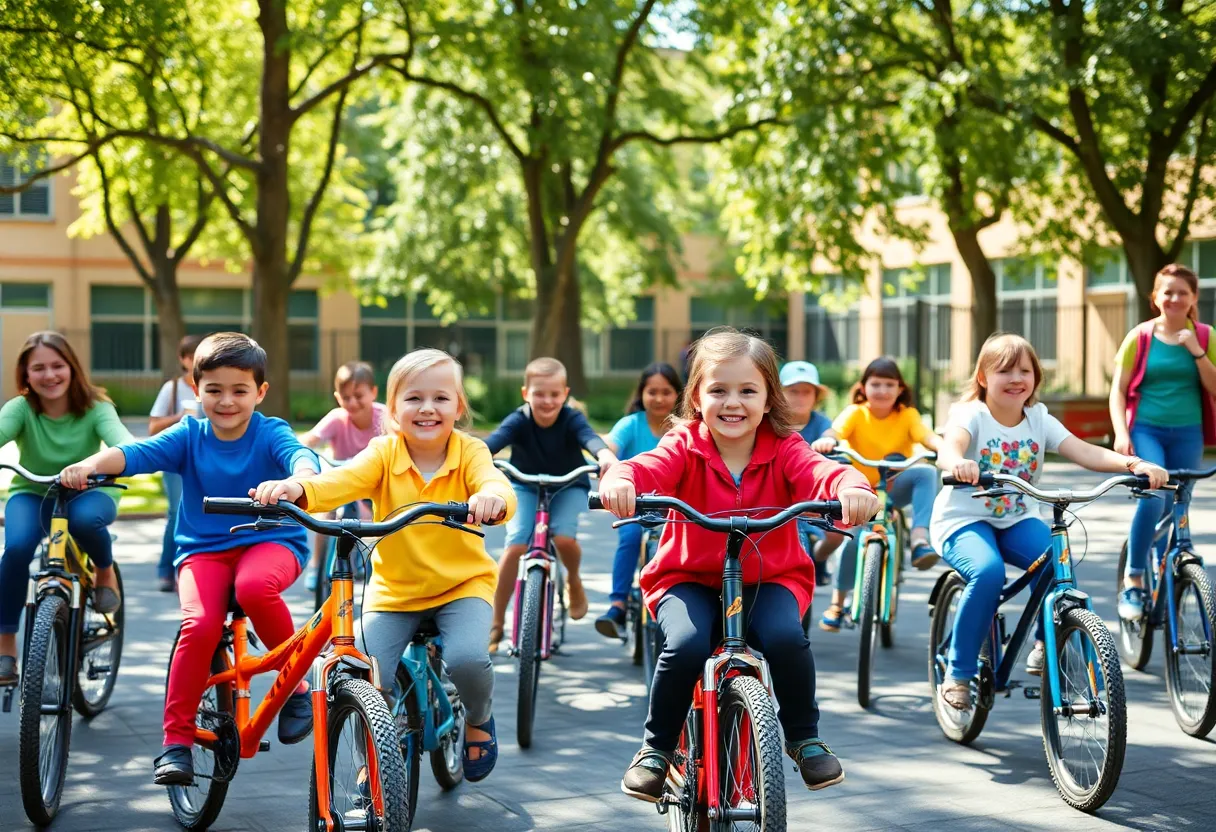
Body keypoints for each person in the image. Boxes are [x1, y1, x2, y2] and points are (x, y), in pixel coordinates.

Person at [597, 328, 878, 800]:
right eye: (719, 390)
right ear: (696, 397)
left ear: (769, 398)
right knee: (685, 646)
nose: (733, 402)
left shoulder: (785, 446)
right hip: (688, 577)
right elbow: (645, 467)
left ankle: (804, 736)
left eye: (748, 390)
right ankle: (656, 749)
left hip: (771, 577)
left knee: (788, 638)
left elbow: (821, 471)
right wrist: (621, 478)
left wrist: (851, 488)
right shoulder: (684, 443)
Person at [59, 332, 321, 784]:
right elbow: (137, 453)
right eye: (214, 390)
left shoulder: (270, 431)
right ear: (195, 389)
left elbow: (301, 457)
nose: (226, 401)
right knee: (198, 623)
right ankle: (176, 742)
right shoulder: (189, 434)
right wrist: (91, 465)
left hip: (270, 540)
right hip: (203, 551)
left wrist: (296, 482)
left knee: (255, 588)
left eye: (239, 391)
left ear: (260, 393)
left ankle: (297, 687)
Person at [252, 348, 514, 782]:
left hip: (462, 586)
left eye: (440, 399)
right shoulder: (383, 453)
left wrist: (492, 499)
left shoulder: (470, 452)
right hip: (395, 591)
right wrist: (296, 487)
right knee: (367, 675)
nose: (427, 408)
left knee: (468, 659)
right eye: (413, 399)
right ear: (392, 409)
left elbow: (494, 483)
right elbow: (340, 480)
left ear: (458, 406)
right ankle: (370, 762)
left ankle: (479, 717)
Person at [932, 333, 1167, 713]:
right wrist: (957, 462)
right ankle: (958, 673)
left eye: (1025, 370)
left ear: (1036, 379)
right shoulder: (971, 414)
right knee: (989, 574)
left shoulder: (1038, 418)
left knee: (1056, 561)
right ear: (982, 377)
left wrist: (1134, 464)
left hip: (1017, 517)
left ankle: (1045, 643)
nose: (1016, 378)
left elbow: (1083, 450)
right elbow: (951, 444)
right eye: (1004, 370)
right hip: (963, 520)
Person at [0, 332, 133, 685]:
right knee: (15, 549)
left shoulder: (95, 407)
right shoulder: (21, 409)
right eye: (38, 368)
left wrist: (97, 463)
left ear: (71, 368)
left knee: (86, 521)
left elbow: (123, 441)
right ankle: (6, 645)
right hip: (33, 491)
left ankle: (104, 569)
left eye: (58, 366)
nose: (50, 375)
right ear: (25, 375)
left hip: (90, 490)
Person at [483, 357, 618, 650]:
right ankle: (496, 622)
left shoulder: (571, 419)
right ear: (525, 394)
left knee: (563, 536)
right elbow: (493, 442)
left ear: (565, 393)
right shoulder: (519, 419)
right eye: (539, 394)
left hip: (568, 484)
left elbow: (590, 438)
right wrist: (474, 457)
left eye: (554, 394)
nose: (547, 401)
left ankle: (573, 580)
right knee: (516, 544)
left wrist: (604, 456)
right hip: (524, 484)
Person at [1109, 263, 1216, 621]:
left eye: (1182, 292)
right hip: (1147, 430)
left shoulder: (1205, 335)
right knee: (1154, 498)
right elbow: (1118, 390)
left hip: (1189, 432)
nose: (1174, 298)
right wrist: (1121, 434)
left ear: (1193, 298)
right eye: (1167, 292)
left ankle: (1168, 566)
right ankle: (1135, 578)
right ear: (1155, 297)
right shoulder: (1139, 336)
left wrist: (1197, 351)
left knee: (1178, 507)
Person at [811, 356, 942, 632]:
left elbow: (926, 436)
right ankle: (837, 603)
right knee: (851, 538)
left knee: (927, 473)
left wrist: (942, 447)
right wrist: (828, 439)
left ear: (900, 388)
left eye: (889, 384)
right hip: (862, 491)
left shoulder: (907, 415)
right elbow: (835, 430)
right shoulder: (856, 413)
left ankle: (919, 538)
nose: (882, 390)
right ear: (864, 387)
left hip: (896, 487)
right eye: (876, 384)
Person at [593, 362, 683, 639]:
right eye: (651, 391)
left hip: (674, 510)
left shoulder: (683, 428)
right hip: (634, 507)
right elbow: (609, 448)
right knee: (630, 537)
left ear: (678, 395)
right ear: (641, 394)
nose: (658, 399)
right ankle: (617, 605)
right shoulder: (631, 424)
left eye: (666, 392)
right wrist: (604, 458)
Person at [299, 361, 387, 591]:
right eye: (346, 397)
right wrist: (299, 452)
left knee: (383, 515)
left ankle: (382, 567)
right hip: (340, 477)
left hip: (371, 481)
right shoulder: (338, 418)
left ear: (373, 393)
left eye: (359, 395)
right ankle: (318, 564)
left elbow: (401, 439)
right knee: (326, 517)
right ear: (338, 397)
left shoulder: (383, 417)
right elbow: (309, 439)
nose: (353, 403)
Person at [149, 334, 205, 592]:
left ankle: (194, 570)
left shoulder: (214, 384)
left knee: (204, 513)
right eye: (191, 357)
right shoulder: (172, 388)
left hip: (204, 460)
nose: (196, 363)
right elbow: (153, 427)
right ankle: (166, 570)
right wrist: (179, 417)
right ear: (183, 360)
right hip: (176, 460)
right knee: (175, 512)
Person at [780, 360, 843, 587]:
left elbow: (831, 432)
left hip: (812, 493)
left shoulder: (819, 422)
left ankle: (820, 558)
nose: (799, 397)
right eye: (792, 391)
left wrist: (828, 440)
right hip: (781, 492)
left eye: (806, 392)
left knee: (836, 533)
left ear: (816, 396)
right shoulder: (775, 423)